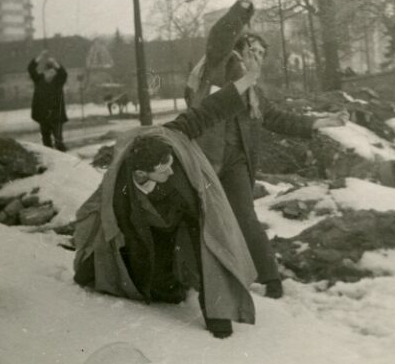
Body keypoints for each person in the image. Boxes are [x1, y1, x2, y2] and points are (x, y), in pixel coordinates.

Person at [73, 68, 263, 338]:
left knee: (203, 250)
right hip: (146, 228)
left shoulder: (174, 140)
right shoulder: (121, 192)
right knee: (117, 277)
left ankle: (215, 314)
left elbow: (207, 111)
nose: (171, 172)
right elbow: (120, 233)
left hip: (182, 216)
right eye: (163, 170)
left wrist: (242, 83)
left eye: (171, 164)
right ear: (141, 174)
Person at [185, 0, 348, 299]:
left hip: (235, 161)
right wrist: (242, 11)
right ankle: (194, 279)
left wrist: (319, 123)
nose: (257, 57)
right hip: (204, 157)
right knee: (200, 217)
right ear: (239, 49)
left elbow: (274, 117)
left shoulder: (254, 90)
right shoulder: (218, 64)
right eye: (253, 50)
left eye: (261, 53)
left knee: (245, 216)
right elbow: (219, 36)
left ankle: (271, 280)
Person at [27, 50, 68, 151]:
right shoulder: (39, 80)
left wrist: (55, 63)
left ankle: (64, 160)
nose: (50, 74)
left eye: (52, 72)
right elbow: (31, 69)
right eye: (48, 72)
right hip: (43, 116)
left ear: (55, 72)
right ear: (44, 72)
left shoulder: (58, 81)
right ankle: (50, 161)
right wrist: (40, 57)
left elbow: (63, 73)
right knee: (46, 142)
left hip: (56, 117)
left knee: (59, 141)